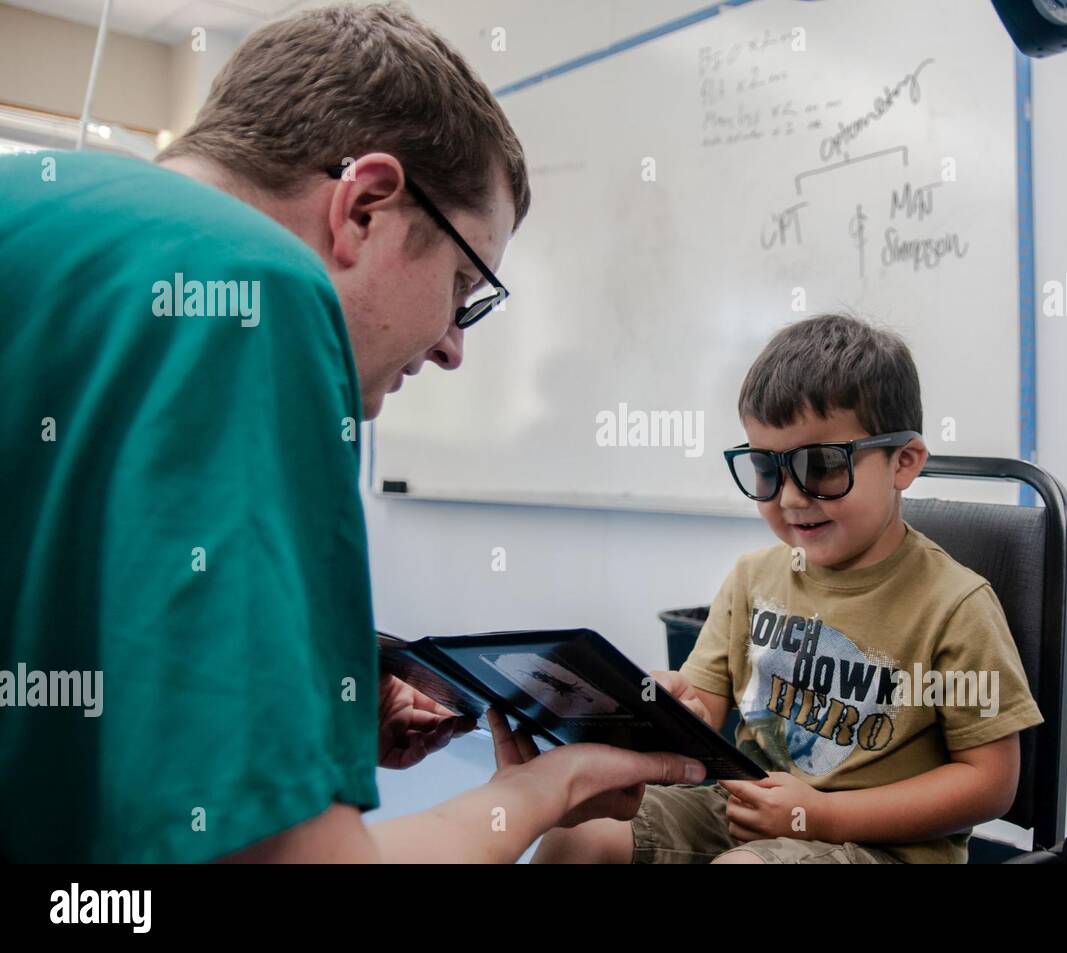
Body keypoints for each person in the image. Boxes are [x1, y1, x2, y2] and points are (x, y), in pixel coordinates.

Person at [0, 1, 703, 864]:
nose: (451, 346)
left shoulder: (39, 216)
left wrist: (292, 711)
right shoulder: (255, 288)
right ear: (364, 205)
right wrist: (539, 790)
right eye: (464, 287)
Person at [534, 313, 1045, 864]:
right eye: (766, 468)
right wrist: (663, 709)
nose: (792, 498)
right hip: (755, 816)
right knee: (579, 835)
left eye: (822, 465)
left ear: (904, 462)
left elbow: (990, 783)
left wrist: (821, 816)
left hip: (882, 848)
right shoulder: (753, 578)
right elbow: (703, 703)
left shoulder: (956, 606)